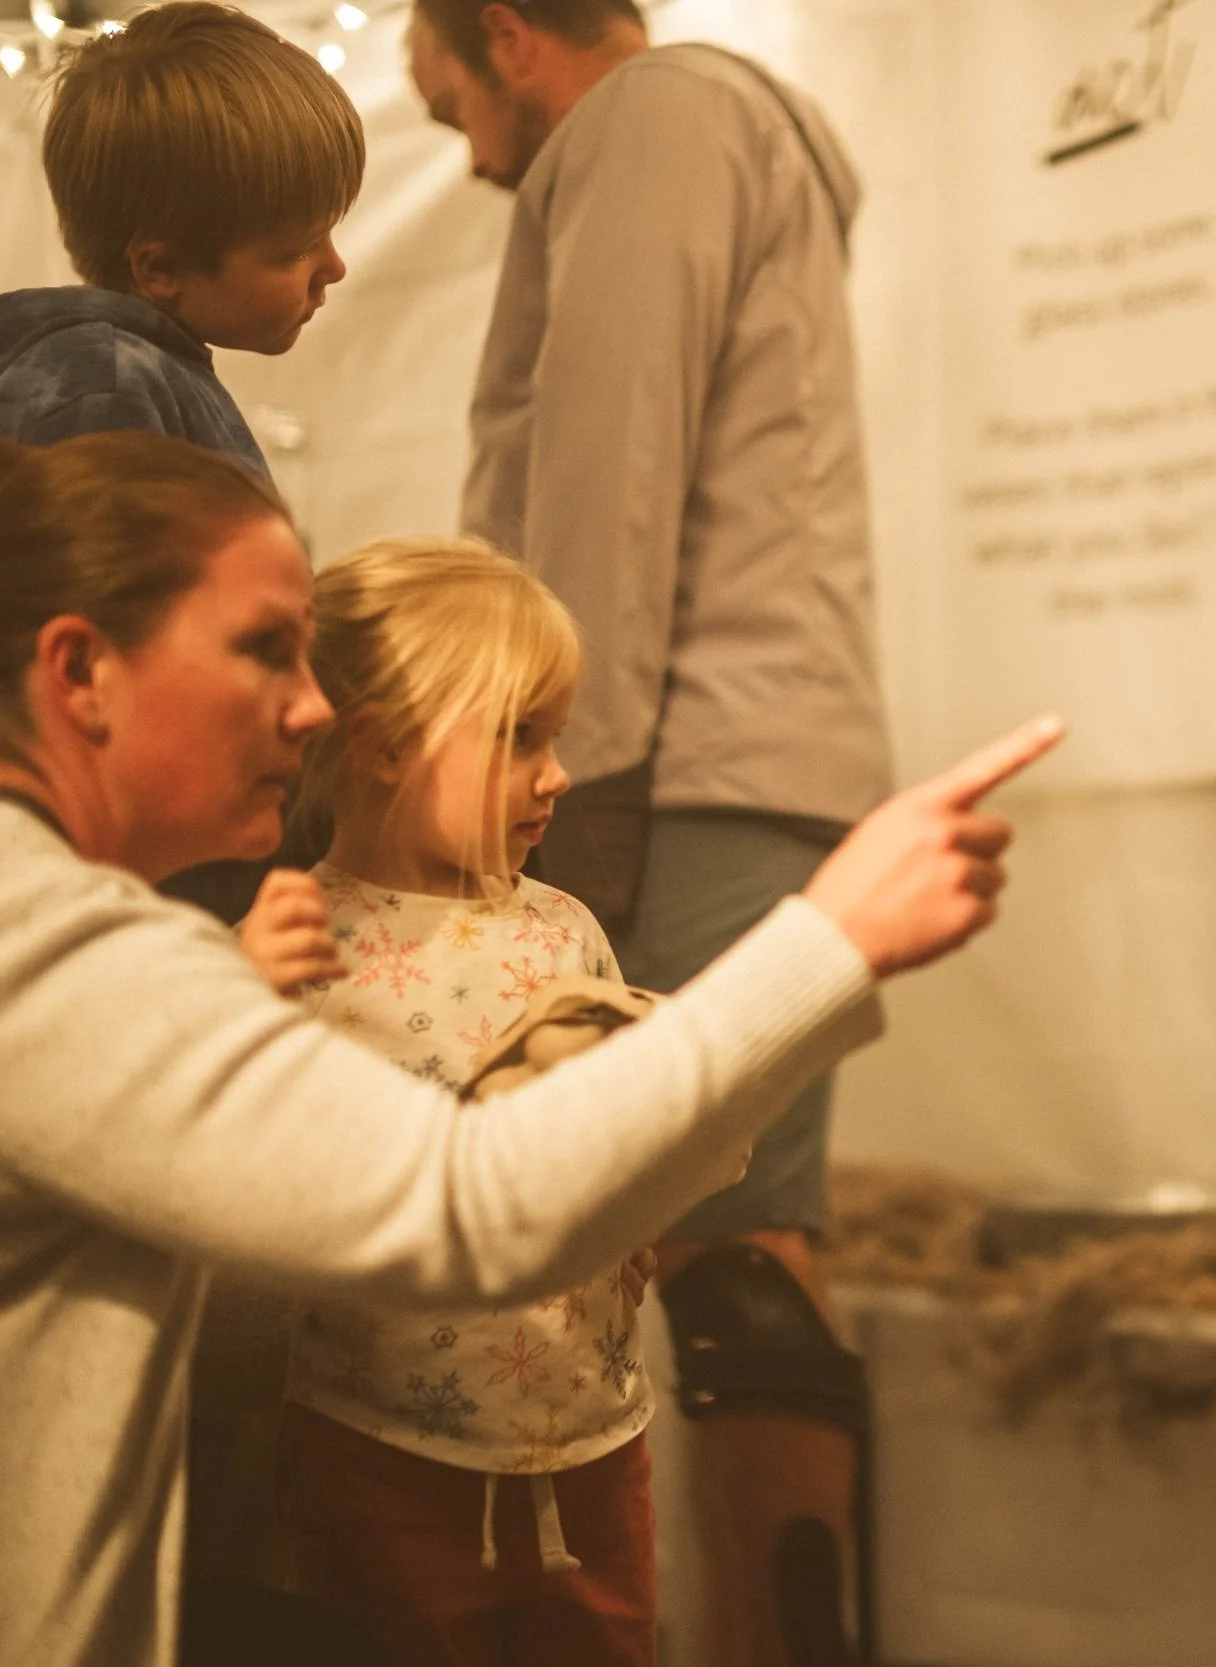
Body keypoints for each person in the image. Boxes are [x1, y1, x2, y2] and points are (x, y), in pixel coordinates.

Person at [0, 426, 1062, 1667]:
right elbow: (461, 1209)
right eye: (260, 651)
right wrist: (828, 937)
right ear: (80, 672)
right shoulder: (61, 948)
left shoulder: (105, 933)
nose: (312, 707)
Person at [407, 4, 893, 1656]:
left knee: (721, 1246)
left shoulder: (648, 125)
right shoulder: (712, 131)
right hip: (727, 765)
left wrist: (551, 817)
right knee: (740, 1243)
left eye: (450, 106)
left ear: (500, 36)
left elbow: (604, 487)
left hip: (675, 770)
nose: (472, 159)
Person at [276, 538, 660, 1666]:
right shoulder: (301, 935)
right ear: (383, 743)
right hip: (380, 1433)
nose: (555, 774)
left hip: (585, 1420)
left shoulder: (563, 925)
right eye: (517, 737)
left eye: (555, 736)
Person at [0, 0, 361, 923]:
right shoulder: (99, 382)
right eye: (295, 249)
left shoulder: (150, 370)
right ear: (159, 268)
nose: (334, 268)